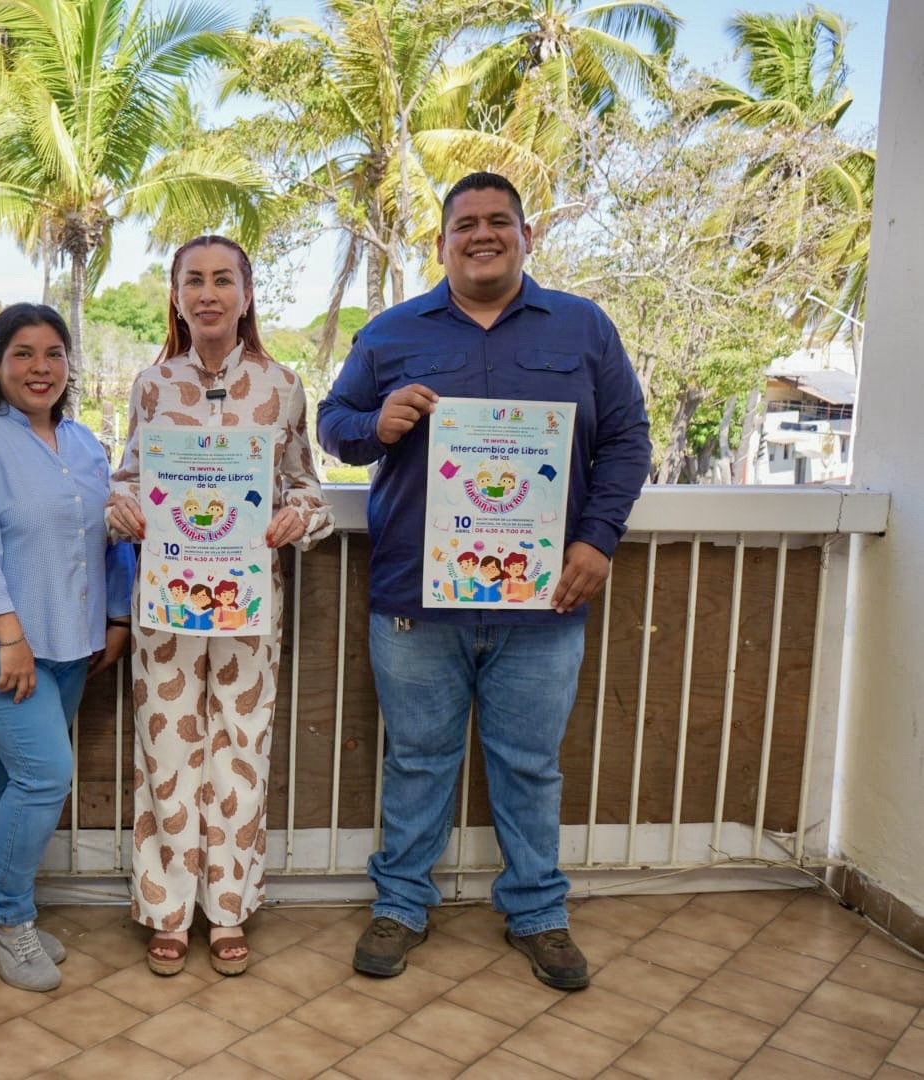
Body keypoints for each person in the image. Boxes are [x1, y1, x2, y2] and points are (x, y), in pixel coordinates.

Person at [318, 172, 650, 990]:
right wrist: (375, 423)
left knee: (530, 765)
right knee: (416, 761)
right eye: (464, 223)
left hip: (543, 598)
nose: (482, 234)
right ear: (441, 244)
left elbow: (628, 438)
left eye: (498, 220)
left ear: (525, 236)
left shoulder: (582, 326)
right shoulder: (391, 332)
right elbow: (334, 426)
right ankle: (401, 905)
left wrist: (596, 539)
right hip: (415, 597)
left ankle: (538, 913)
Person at [108, 235, 334, 977]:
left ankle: (228, 907)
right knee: (165, 749)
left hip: (248, 601)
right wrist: (122, 510)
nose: (208, 293)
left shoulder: (282, 385)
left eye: (222, 280)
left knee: (242, 745)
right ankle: (167, 910)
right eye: (193, 281)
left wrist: (297, 518)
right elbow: (126, 480)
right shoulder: (151, 386)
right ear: (176, 296)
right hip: (165, 602)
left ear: (246, 293)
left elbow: (306, 488)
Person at [0, 303, 134, 992]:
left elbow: (109, 538)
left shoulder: (85, 445)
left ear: (69, 364)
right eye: (21, 353)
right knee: (45, 775)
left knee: (15, 779)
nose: (39, 368)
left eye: (53, 353)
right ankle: (14, 921)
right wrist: (9, 637)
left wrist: (116, 617)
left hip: (71, 640)